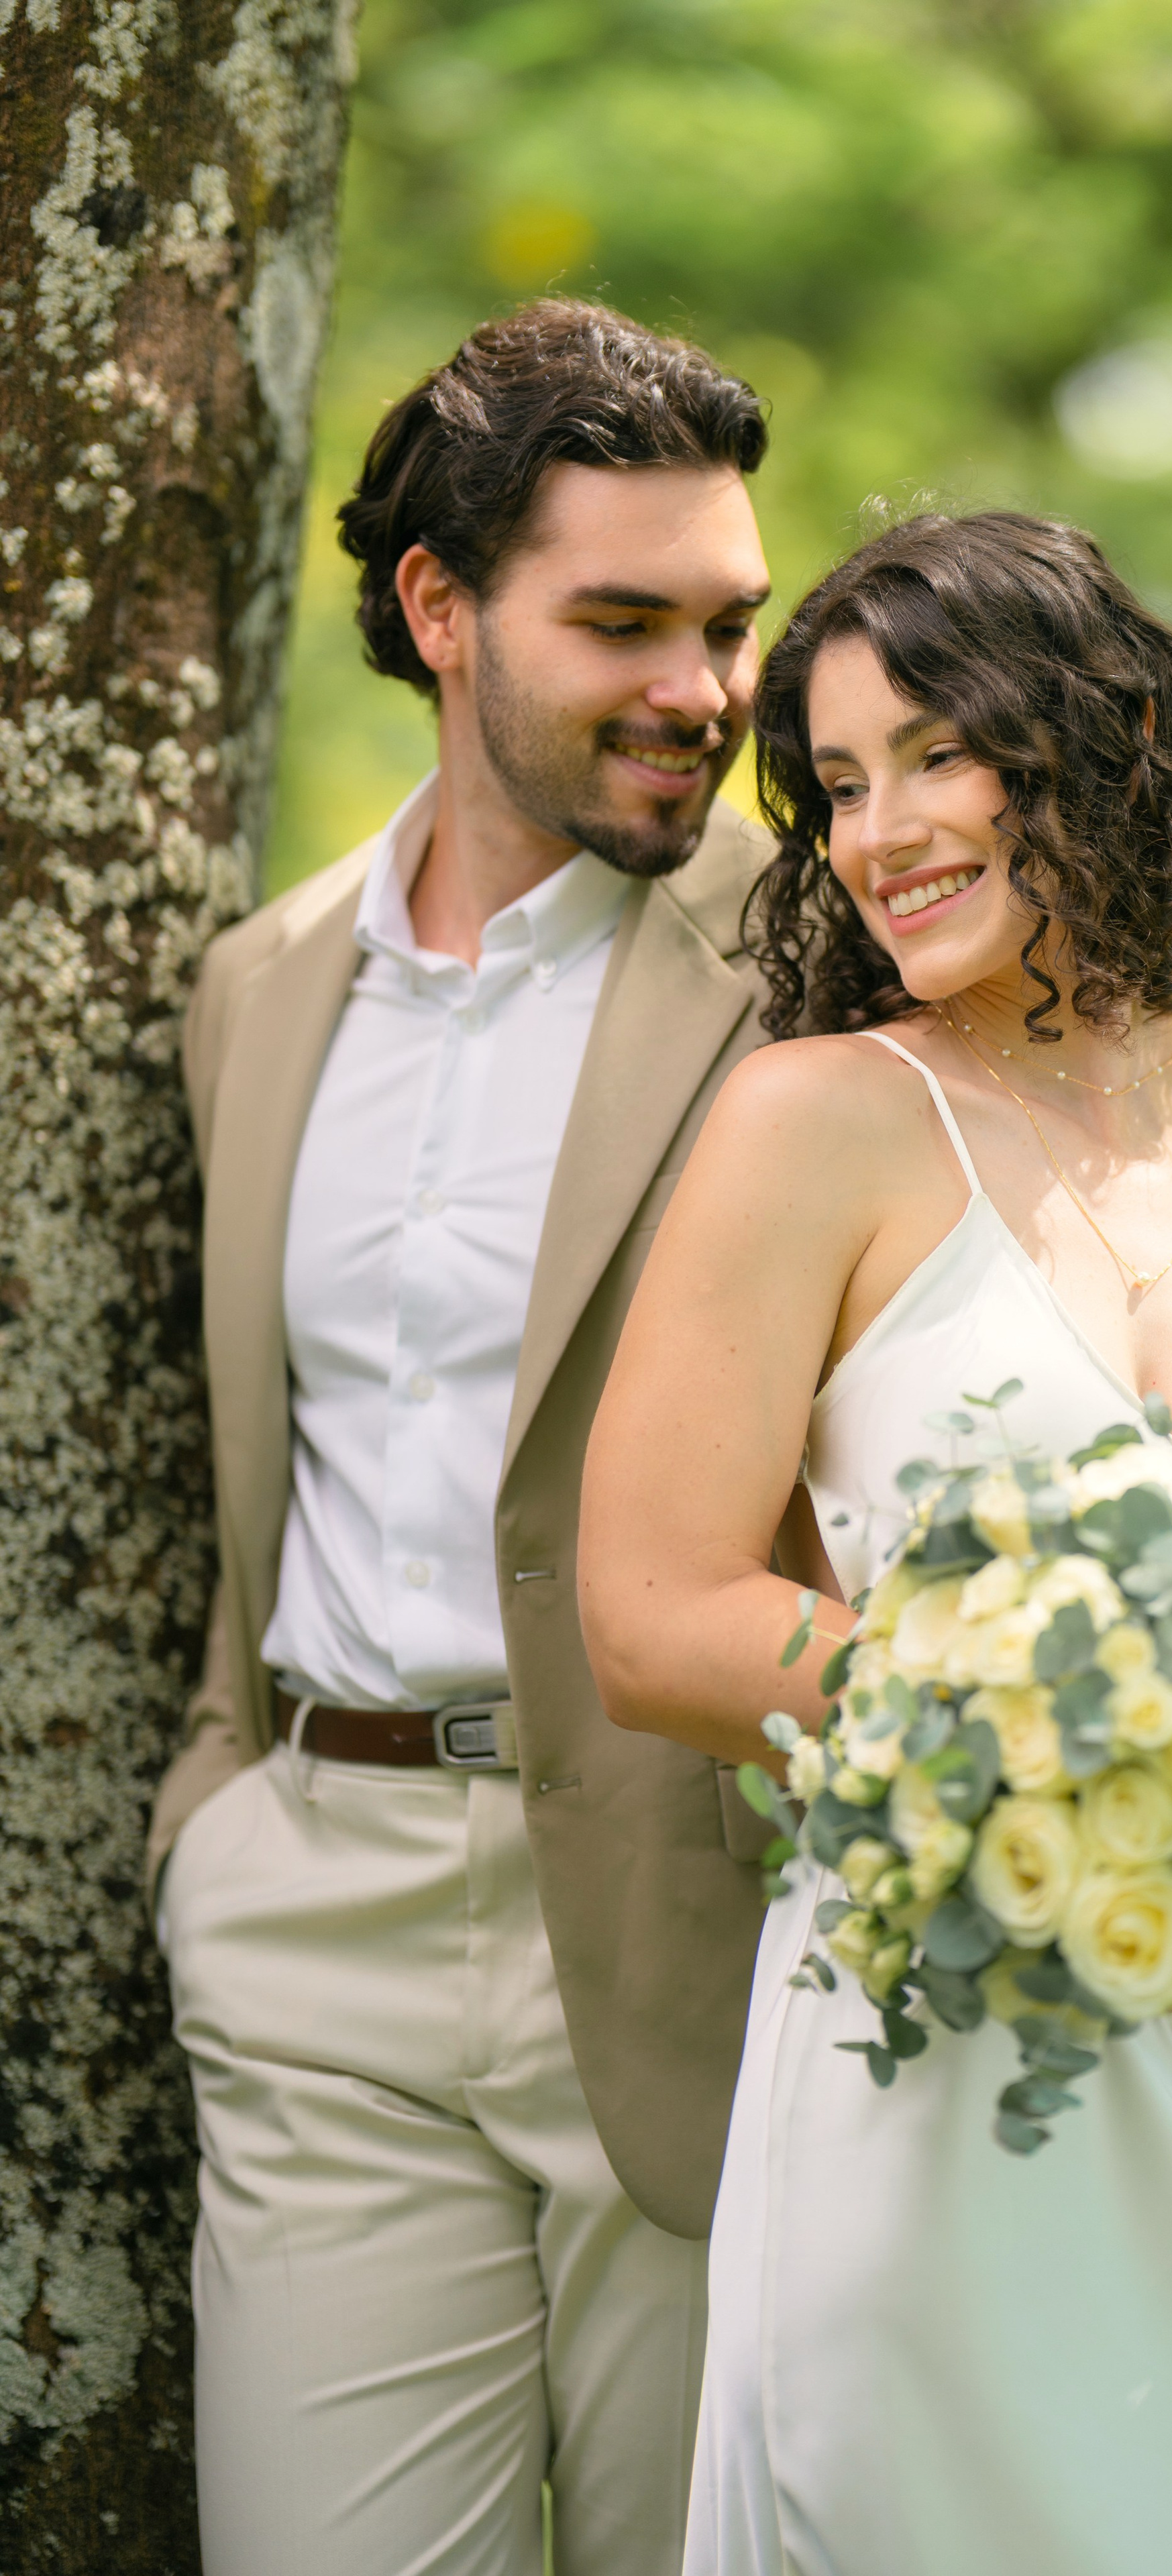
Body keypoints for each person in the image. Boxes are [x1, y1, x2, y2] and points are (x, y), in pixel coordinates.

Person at [579, 510, 1172, 2575]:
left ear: (1102, 741)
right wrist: (1081, 1755)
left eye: (935, 753)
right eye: (837, 784)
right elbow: (655, 1619)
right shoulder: (818, 1127)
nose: (876, 831)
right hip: (927, 2098)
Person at [148, 299, 782, 2576]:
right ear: (440, 611)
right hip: (324, 1923)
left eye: (727, 623)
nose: (701, 690)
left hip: (705, 1929)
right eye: (620, 621)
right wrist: (222, 1808)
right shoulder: (259, 987)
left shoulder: (817, 970)